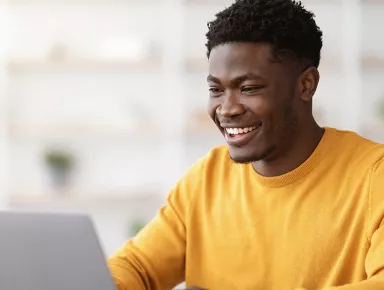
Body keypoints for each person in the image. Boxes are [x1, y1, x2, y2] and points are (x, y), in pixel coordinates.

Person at [107, 0, 384, 289]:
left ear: (306, 85)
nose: (227, 109)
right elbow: (137, 265)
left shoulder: (375, 176)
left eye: (249, 88)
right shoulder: (206, 178)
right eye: (216, 90)